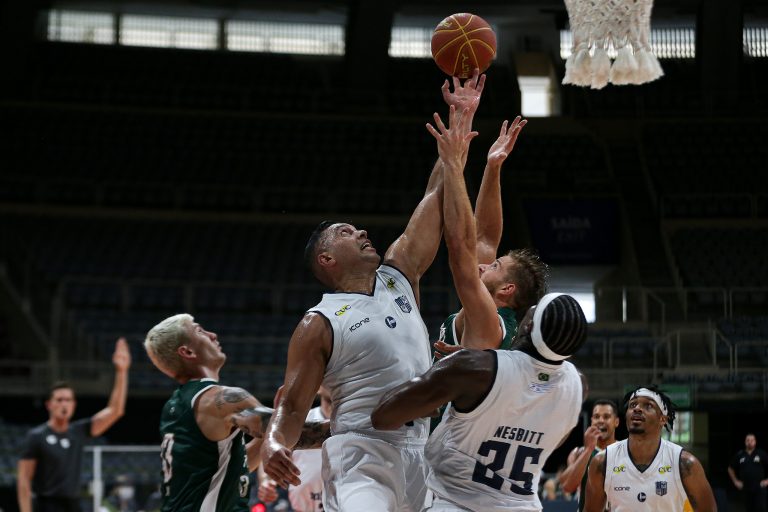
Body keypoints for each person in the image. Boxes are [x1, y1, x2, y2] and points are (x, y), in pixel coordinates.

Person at [260, 80, 484, 511]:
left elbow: (435, 196)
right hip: (361, 451)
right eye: (347, 232)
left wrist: (461, 119)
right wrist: (273, 442)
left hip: (421, 450)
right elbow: (292, 406)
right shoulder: (319, 321)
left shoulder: (398, 273)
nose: (361, 231)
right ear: (327, 259)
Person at [371, 291, 587, 511]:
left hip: (456, 503)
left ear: (529, 326)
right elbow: (551, 437)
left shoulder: (474, 369)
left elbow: (383, 416)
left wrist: (448, 382)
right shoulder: (578, 385)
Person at [144, 313, 330, 512]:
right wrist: (353, 423)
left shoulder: (175, 404)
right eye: (200, 331)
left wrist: (270, 430)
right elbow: (302, 434)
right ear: (187, 351)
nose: (212, 335)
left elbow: (235, 466)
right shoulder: (220, 399)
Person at [436, 112, 550, 352]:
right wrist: (493, 166)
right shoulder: (492, 315)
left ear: (507, 289)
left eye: (494, 266)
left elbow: (460, 246)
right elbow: (485, 238)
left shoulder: (487, 320)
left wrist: (453, 164)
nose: (483, 265)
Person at [17, 338, 131, 512]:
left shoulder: (79, 431)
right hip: (46, 505)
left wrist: (122, 371)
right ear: (49, 405)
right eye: (59, 400)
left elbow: (115, 411)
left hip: (73, 505)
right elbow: (24, 480)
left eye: (68, 400)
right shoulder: (36, 436)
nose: (64, 404)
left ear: (74, 405)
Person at [584, 386, 717, 511]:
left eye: (648, 405)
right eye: (633, 405)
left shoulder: (685, 464)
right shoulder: (603, 462)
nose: (637, 409)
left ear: (663, 419)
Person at [258, 387, 332, 512]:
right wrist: (266, 481)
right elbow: (272, 451)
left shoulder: (358, 423)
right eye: (330, 379)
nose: (335, 383)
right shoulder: (301, 422)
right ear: (318, 387)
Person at [559, 399, 621, 511]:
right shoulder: (578, 452)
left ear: (616, 422)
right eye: (596, 417)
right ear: (592, 421)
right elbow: (567, 487)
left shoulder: (625, 451)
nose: (600, 420)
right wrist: (588, 450)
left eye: (606, 417)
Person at [728, 433, 768, 512]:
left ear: (755, 442)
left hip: (759, 486)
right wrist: (735, 481)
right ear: (745, 442)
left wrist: (767, 481)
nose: (750, 442)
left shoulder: (761, 453)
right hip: (745, 487)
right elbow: (730, 468)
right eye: (748, 440)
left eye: (752, 440)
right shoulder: (740, 454)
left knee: (761, 509)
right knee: (748, 509)